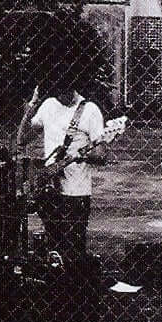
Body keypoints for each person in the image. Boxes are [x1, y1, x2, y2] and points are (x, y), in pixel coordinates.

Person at [16, 77, 105, 266]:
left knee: (73, 248)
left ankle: (74, 276)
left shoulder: (90, 110)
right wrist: (33, 104)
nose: (60, 97)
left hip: (76, 191)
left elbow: (101, 155)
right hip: (49, 189)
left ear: (73, 88)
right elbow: (22, 138)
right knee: (52, 245)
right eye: (57, 93)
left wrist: (81, 156)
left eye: (64, 92)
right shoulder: (49, 105)